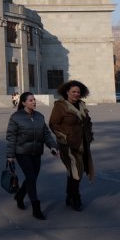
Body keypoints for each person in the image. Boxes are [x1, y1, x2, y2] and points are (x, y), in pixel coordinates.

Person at [6, 92, 59, 220]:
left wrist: (53, 146)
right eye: (30, 100)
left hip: (36, 152)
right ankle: (36, 208)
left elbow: (46, 133)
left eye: (34, 100)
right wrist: (10, 155)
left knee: (33, 177)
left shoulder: (39, 116)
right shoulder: (16, 117)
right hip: (22, 152)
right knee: (31, 177)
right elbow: (11, 137)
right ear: (23, 102)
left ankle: (20, 195)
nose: (34, 102)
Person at [49, 80, 95, 212]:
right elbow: (53, 124)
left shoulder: (82, 105)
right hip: (68, 146)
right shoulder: (60, 106)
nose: (76, 94)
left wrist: (89, 134)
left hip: (83, 144)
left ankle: (69, 196)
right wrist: (64, 137)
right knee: (77, 172)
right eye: (73, 92)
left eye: (78, 92)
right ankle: (76, 198)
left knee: (74, 172)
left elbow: (88, 122)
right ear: (67, 92)